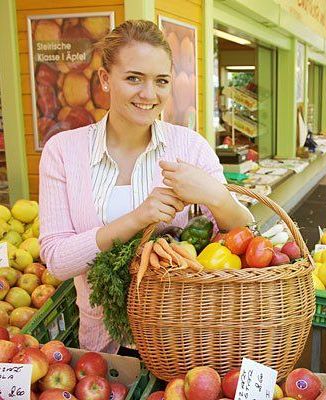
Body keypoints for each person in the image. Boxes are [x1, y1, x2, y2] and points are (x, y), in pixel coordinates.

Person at [38, 20, 254, 354]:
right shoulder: (63, 152)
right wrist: (139, 218)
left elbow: (243, 233)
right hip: (103, 344)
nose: (149, 94)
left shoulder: (190, 148)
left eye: (161, 81)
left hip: (184, 338)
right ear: (105, 80)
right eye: (134, 78)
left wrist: (213, 193)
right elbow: (58, 261)